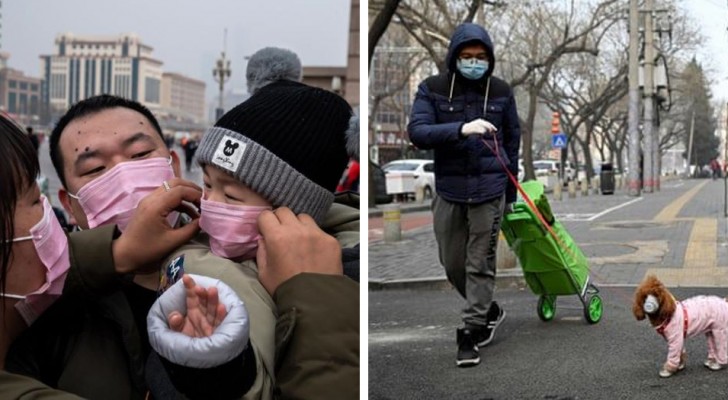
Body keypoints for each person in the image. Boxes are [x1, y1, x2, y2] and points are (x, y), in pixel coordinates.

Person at [150, 78, 360, 399]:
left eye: (232, 196)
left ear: (294, 210)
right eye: (207, 185)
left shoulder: (348, 273)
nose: (212, 204)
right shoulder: (187, 243)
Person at [408, 22, 521, 367]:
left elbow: (512, 141)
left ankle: (470, 332)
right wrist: (460, 129)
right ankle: (488, 309)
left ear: (490, 58)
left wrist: (511, 190)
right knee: (452, 262)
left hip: (490, 191)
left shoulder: (501, 91)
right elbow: (419, 131)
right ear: (455, 56)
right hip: (449, 189)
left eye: (481, 57)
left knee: (480, 263)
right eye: (467, 56)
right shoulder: (432, 89)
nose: (474, 62)